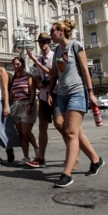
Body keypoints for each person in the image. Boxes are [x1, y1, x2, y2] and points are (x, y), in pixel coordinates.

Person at [48, 20, 104, 187]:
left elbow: (85, 70)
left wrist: (91, 93)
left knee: (70, 132)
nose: (50, 34)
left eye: (52, 31)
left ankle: (67, 173)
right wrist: (51, 92)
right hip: (62, 94)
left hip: (77, 92)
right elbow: (54, 73)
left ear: (61, 32)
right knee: (77, 133)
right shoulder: (57, 50)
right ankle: (96, 160)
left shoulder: (75, 45)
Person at [25, 33, 67, 168]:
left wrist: (34, 60)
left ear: (49, 42)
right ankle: (41, 158)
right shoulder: (39, 59)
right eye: (40, 42)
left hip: (55, 94)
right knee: (42, 126)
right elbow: (38, 75)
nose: (42, 44)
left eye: (45, 41)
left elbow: (53, 73)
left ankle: (72, 150)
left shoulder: (56, 56)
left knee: (59, 124)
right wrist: (38, 83)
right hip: (43, 96)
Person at [9, 57, 39, 166]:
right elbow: (12, 94)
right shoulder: (14, 78)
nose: (16, 66)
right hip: (16, 106)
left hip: (27, 104)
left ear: (22, 64)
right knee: (21, 134)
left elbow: (32, 92)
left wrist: (31, 105)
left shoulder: (29, 76)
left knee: (26, 132)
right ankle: (26, 157)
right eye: (14, 65)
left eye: (18, 64)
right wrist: (8, 106)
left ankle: (37, 149)